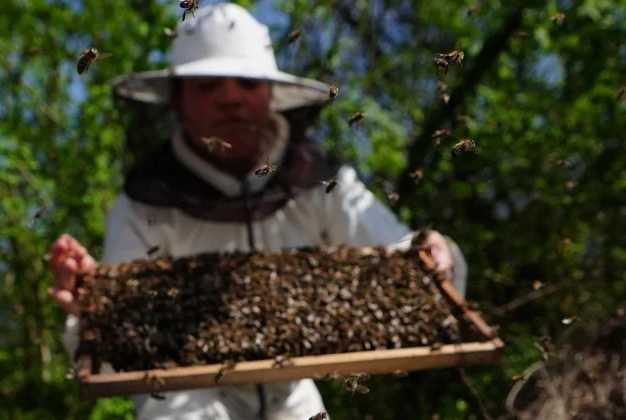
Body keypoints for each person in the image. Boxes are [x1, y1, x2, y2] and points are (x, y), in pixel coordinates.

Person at [46, 3, 468, 419]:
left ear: (270, 92)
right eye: (209, 84)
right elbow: (111, 354)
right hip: (181, 395)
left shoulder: (320, 179)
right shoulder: (142, 204)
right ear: (178, 98)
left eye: (246, 82)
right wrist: (95, 306)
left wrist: (432, 254)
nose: (230, 98)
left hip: (295, 398)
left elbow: (397, 255)